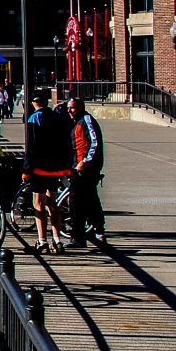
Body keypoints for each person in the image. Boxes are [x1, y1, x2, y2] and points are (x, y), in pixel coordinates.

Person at [24, 88, 75, 253]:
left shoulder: (33, 119)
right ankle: (57, 239)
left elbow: (31, 146)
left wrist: (27, 168)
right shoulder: (59, 118)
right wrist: (66, 166)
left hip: (39, 168)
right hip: (56, 168)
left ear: (32, 103)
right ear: (46, 102)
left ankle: (42, 240)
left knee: (38, 203)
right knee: (52, 203)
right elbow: (67, 144)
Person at [69, 93, 107, 246]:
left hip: (85, 168)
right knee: (89, 199)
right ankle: (95, 230)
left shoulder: (86, 120)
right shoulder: (76, 122)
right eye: (69, 108)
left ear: (80, 108)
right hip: (78, 166)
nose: (70, 111)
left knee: (77, 201)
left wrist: (84, 162)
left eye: (73, 108)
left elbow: (94, 143)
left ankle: (79, 236)